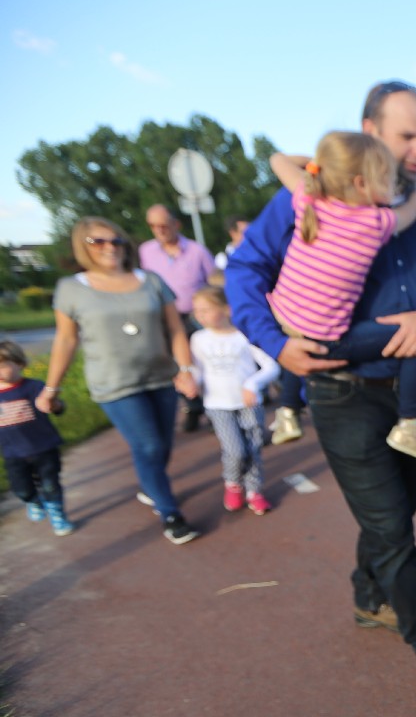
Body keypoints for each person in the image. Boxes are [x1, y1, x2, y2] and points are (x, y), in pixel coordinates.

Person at [225, 80, 416, 717]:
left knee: (394, 517)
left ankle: (370, 596)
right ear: (370, 133)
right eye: (407, 135)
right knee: (392, 530)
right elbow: (244, 273)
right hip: (342, 394)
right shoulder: (306, 198)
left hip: (415, 393)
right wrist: (276, 345)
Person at [266, 132, 416, 462]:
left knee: (299, 329)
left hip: (283, 315)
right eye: (386, 178)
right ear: (361, 184)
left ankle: (288, 412)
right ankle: (410, 425)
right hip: (326, 337)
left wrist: (317, 167)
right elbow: (414, 208)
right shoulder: (374, 222)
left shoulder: (309, 199)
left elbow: (277, 160)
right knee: (415, 339)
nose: (392, 185)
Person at [39, 217, 201, 544]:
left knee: (162, 446)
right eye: (98, 241)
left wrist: (185, 370)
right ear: (82, 246)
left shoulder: (150, 280)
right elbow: (66, 340)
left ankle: (150, 485)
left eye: (116, 241)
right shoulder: (72, 288)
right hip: (114, 383)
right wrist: (51, 388)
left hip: (160, 376)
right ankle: (170, 512)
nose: (109, 247)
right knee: (148, 445)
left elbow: (175, 329)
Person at [189, 286, 280, 515]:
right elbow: (198, 369)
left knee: (253, 448)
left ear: (226, 309)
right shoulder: (198, 339)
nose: (200, 315)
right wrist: (190, 381)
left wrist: (252, 385)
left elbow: (271, 366)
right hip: (218, 405)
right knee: (235, 450)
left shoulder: (244, 336)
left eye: (206, 310)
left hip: (248, 404)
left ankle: (254, 491)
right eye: (197, 311)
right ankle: (233, 483)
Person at [139, 204, 215, 431]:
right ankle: (192, 405)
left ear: (176, 224)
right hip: (164, 317)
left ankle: (214, 407)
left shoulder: (196, 251)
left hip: (195, 316)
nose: (159, 230)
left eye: (163, 225)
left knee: (204, 359)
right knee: (175, 363)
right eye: (153, 226)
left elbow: (214, 282)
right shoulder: (146, 251)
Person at [0, 340, 74, 535]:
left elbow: (57, 408)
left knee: (50, 484)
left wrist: (55, 404)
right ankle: (33, 501)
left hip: (44, 448)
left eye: (3, 365)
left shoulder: (34, 387)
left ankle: (58, 515)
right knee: (21, 489)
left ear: (20, 364)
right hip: (13, 453)